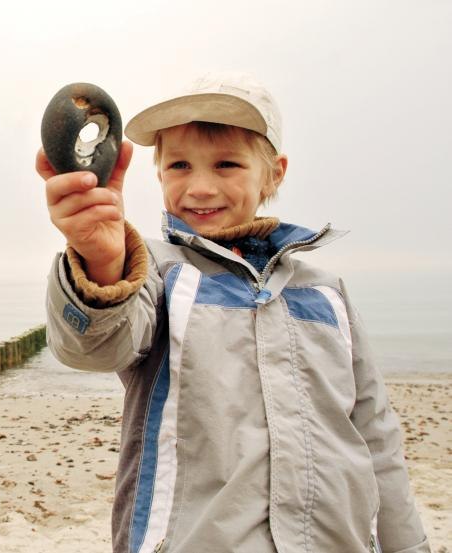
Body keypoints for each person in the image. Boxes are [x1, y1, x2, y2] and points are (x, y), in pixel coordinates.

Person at [38, 72, 429, 552]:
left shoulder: (327, 293)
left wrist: (408, 545)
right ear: (158, 174)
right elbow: (95, 347)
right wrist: (99, 259)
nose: (200, 187)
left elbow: (375, 438)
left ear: (274, 173)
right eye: (179, 165)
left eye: (226, 165)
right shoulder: (155, 274)